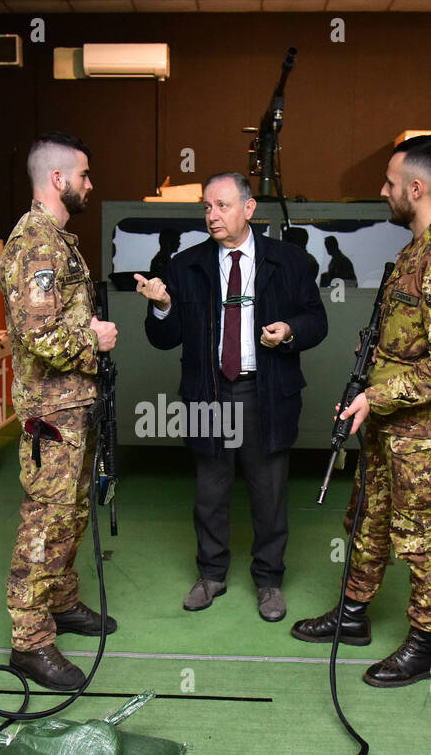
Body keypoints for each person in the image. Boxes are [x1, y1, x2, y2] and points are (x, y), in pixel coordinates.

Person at [290, 136, 431, 689]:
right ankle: (352, 616)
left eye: (389, 183)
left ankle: (425, 645)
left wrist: (373, 396)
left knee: (420, 535)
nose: (383, 192)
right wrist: (367, 384)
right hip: (386, 426)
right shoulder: (415, 252)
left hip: (422, 434)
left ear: (416, 189)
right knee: (366, 520)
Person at [138, 172, 327, 622]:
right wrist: (162, 305)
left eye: (222, 206)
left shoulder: (289, 261)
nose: (212, 215)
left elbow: (316, 321)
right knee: (210, 490)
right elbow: (164, 339)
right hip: (209, 392)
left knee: (269, 493)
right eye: (206, 207)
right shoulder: (186, 266)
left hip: (265, 393)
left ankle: (269, 581)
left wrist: (289, 331)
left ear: (249, 208)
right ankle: (211, 575)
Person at [1, 132, 119, 691]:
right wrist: (93, 339)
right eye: (85, 175)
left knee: (70, 512)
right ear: (57, 179)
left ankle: (62, 602)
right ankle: (30, 641)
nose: (90, 184)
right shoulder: (36, 244)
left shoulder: (58, 241)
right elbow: (39, 332)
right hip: (51, 410)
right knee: (45, 521)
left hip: (73, 405)